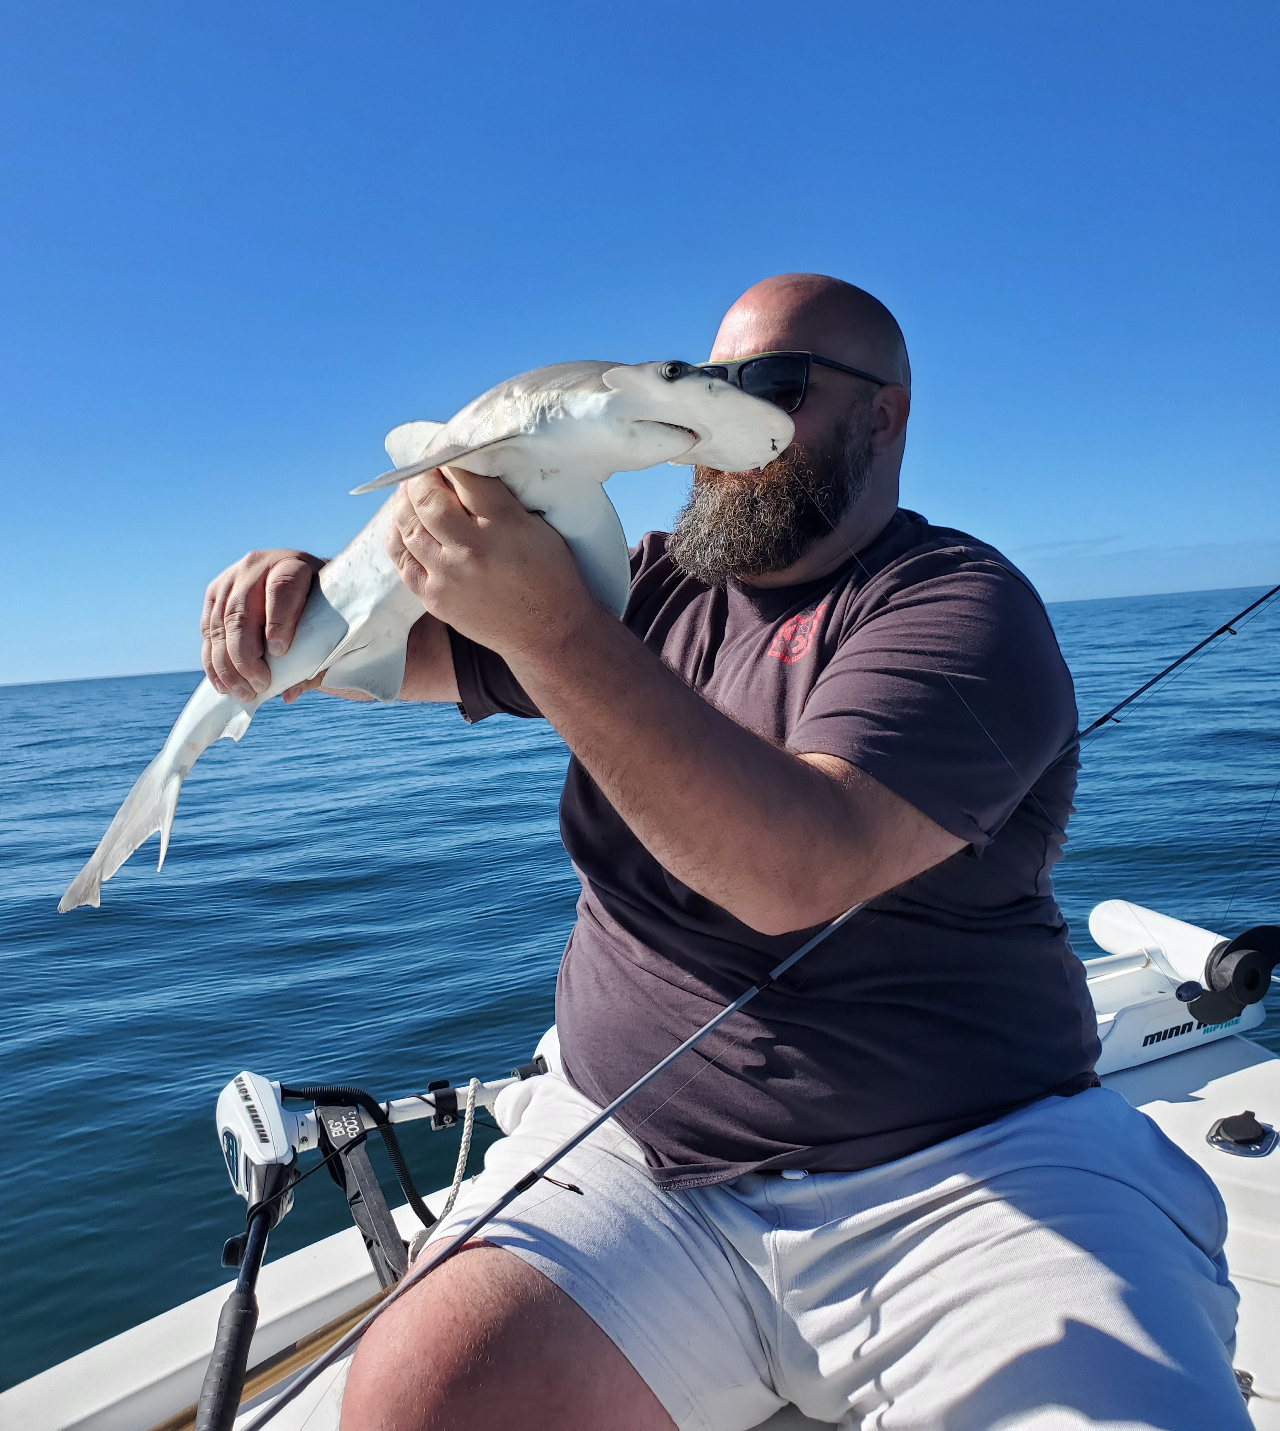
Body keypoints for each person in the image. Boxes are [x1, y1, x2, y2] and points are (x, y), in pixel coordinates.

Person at [202, 275, 1247, 1431]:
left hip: (965, 1171)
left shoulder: (957, 608)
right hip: (624, 1151)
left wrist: (555, 630)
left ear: (883, 415)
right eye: (704, 383)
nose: (712, 421)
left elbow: (792, 872)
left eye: (772, 385)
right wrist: (292, 599)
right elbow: (371, 660)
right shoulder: (640, 590)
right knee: (414, 1397)